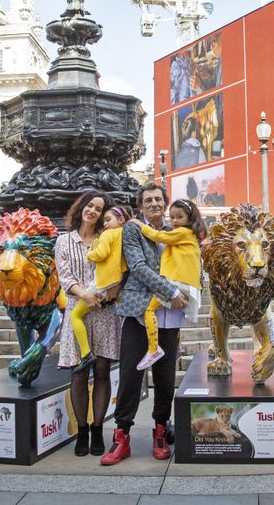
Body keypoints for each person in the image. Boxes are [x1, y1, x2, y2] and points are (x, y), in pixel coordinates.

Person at [101, 182, 189, 466]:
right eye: (148, 200)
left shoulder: (175, 230)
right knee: (129, 377)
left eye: (158, 199)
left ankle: (160, 431)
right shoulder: (132, 229)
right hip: (138, 312)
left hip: (170, 315)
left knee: (165, 378)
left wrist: (187, 291)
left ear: (165, 204)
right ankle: (121, 436)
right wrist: (171, 292)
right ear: (140, 205)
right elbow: (138, 267)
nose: (153, 204)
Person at [55, 190, 123, 457]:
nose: (93, 211)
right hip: (78, 311)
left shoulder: (107, 238)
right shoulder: (64, 241)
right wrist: (84, 295)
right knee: (79, 372)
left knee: (103, 371)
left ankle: (98, 429)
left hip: (105, 311)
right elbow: (64, 275)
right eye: (89, 205)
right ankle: (81, 430)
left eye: (99, 208)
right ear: (81, 207)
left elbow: (118, 269)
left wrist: (107, 295)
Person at [133, 199, 204, 370]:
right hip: (184, 282)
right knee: (158, 310)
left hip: (179, 282)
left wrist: (137, 223)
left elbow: (157, 236)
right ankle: (164, 346)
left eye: (179, 217)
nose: (175, 221)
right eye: (172, 217)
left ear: (190, 218)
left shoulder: (184, 233)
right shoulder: (189, 235)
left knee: (149, 309)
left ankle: (153, 348)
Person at [74, 204, 132, 372]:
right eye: (104, 221)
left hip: (104, 283)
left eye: (108, 219)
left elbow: (100, 254)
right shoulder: (126, 234)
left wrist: (89, 253)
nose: (105, 224)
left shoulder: (107, 235)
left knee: (75, 315)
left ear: (121, 220)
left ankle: (85, 354)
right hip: (120, 282)